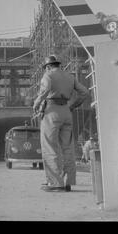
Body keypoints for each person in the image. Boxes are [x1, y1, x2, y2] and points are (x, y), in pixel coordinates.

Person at [33, 55, 89, 192]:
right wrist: (73, 105)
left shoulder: (48, 75)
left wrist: (36, 103)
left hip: (51, 112)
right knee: (67, 148)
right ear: (58, 65)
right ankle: (68, 181)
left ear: (48, 66)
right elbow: (85, 92)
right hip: (66, 111)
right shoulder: (70, 77)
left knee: (50, 147)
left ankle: (55, 183)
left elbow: (45, 89)